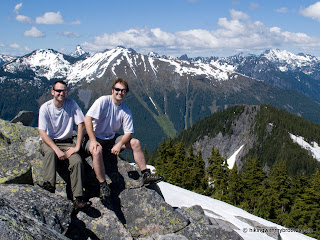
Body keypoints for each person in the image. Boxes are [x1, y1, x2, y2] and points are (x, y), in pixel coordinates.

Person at [84, 78, 164, 200]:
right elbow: (87, 118)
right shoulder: (103, 101)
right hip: (95, 136)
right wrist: (93, 140)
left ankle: (145, 174)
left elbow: (129, 132)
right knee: (96, 151)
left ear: (126, 93)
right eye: (117, 89)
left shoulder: (125, 109)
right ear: (112, 90)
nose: (120, 92)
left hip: (111, 138)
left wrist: (119, 143)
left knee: (135, 143)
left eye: (123, 90)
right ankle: (102, 184)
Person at [38, 80, 91, 210]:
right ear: (52, 92)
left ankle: (78, 198)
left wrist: (77, 147)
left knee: (77, 161)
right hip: (49, 142)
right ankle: (49, 186)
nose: (61, 93)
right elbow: (42, 133)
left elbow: (81, 124)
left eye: (64, 91)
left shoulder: (71, 104)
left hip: (67, 142)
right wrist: (56, 150)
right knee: (50, 153)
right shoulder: (45, 107)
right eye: (58, 91)